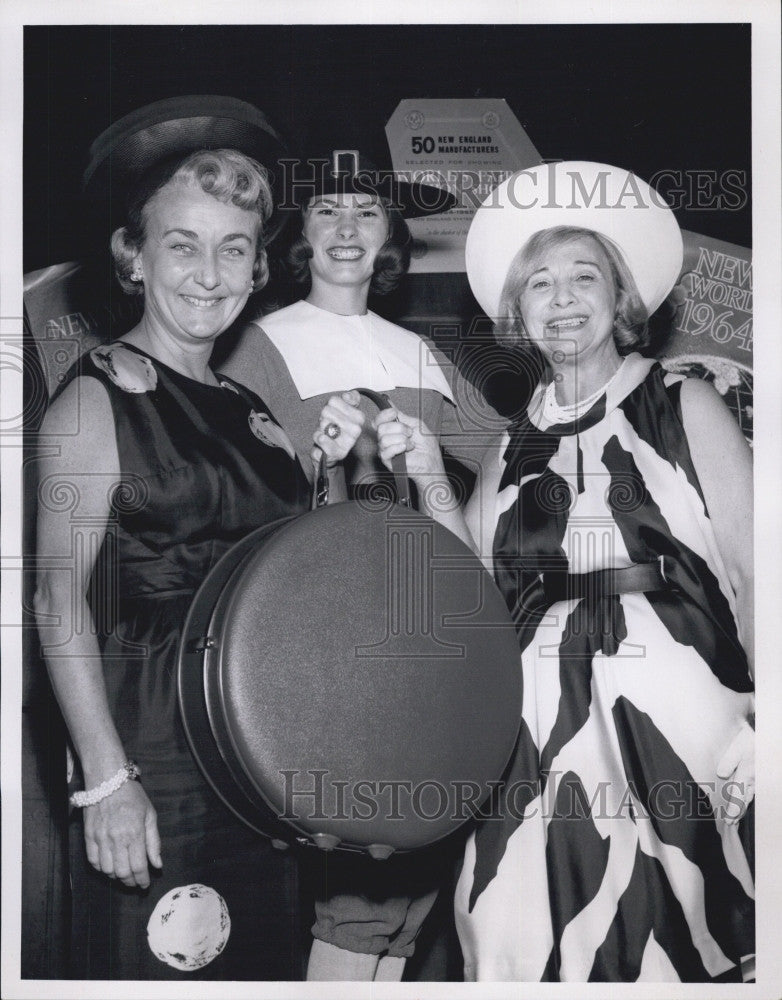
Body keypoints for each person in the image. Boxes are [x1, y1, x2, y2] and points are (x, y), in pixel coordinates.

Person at [375, 161, 755, 982]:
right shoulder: (512, 443)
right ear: (518, 313)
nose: (563, 297)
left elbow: (761, 572)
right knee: (512, 932)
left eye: (584, 277)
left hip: (683, 726)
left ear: (620, 300)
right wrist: (428, 473)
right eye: (539, 284)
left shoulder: (684, 404)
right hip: (531, 738)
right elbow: (473, 584)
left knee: (671, 938)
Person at [33, 97, 364, 981]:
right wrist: (106, 780)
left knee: (261, 965)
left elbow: (289, 593)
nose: (208, 275)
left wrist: (325, 475)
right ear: (133, 258)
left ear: (260, 268)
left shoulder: (252, 415)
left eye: (234, 249)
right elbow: (56, 600)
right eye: (181, 245)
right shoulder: (92, 400)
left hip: (257, 761)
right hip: (150, 762)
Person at [221, 148, 495, 982]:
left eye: (366, 211)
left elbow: (509, 465)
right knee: (357, 885)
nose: (347, 227)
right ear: (300, 231)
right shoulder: (253, 346)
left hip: (419, 630)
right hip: (320, 635)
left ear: (391, 237)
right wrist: (315, 460)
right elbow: (233, 508)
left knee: (407, 885)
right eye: (328, 209)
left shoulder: (417, 353)